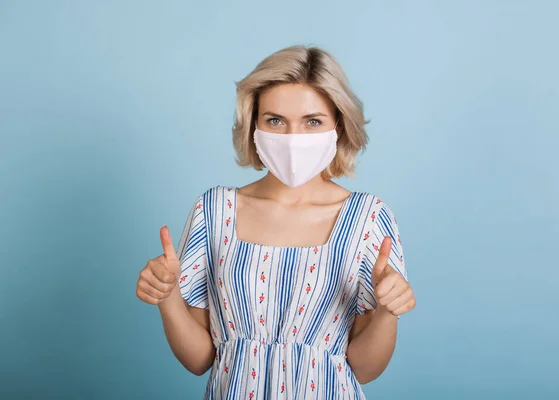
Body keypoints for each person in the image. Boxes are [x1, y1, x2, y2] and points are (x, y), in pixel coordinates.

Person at [136, 45, 416, 399]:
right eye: (275, 120)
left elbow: (363, 368)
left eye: (312, 121)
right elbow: (200, 359)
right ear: (254, 123)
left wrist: (388, 313)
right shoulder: (215, 211)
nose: (292, 138)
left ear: (339, 125)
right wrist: (168, 297)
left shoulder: (368, 219)